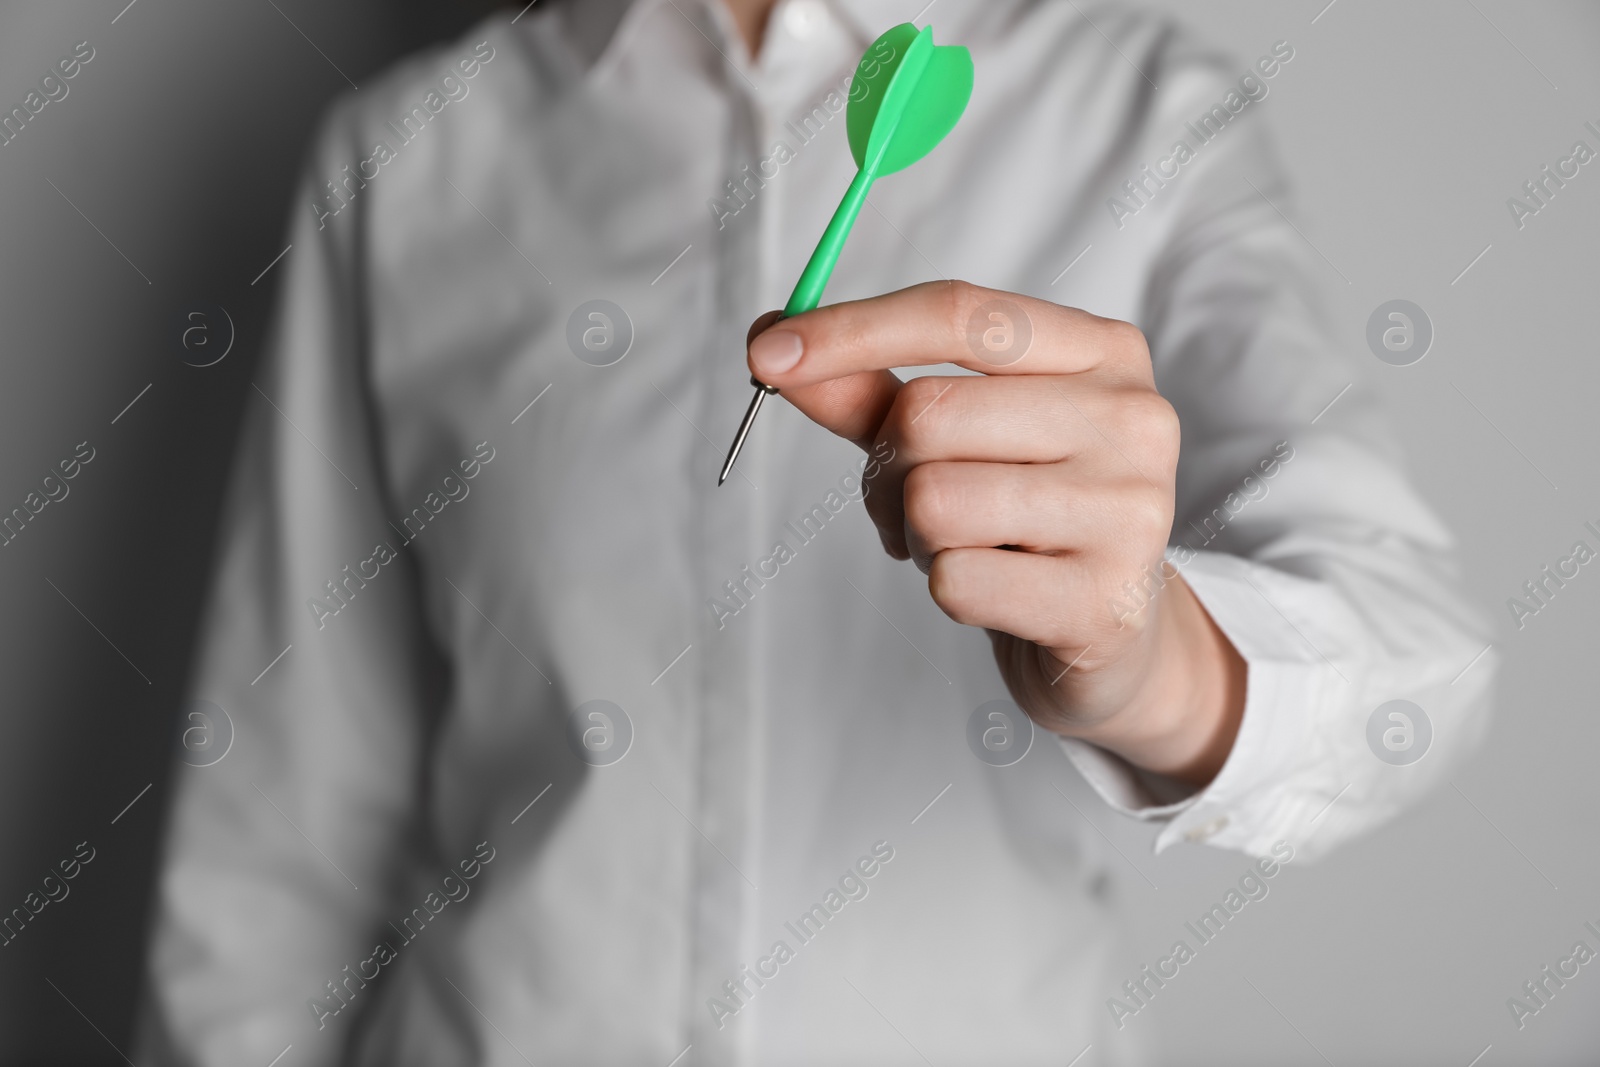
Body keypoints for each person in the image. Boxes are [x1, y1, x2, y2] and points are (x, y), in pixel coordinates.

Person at [137, 0, 1494, 1063]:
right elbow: (273, 847)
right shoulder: (406, 161)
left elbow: (1420, 661)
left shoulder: (1142, 116)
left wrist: (1150, 664)